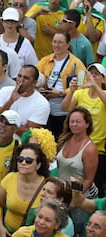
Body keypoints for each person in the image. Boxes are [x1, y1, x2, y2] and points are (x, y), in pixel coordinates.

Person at [61, 63, 106, 197]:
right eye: (90, 73)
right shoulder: (80, 93)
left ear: (103, 79)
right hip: (78, 146)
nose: (92, 76)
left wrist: (95, 86)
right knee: (75, 179)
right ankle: (73, 199)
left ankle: (94, 210)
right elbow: (65, 107)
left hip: (98, 148)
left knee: (94, 183)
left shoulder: (103, 94)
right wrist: (72, 90)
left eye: (96, 74)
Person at [56, 106, 98, 235]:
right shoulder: (64, 139)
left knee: (79, 229)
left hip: (83, 196)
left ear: (87, 124)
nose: (74, 124)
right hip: (64, 193)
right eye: (71, 121)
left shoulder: (90, 149)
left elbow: (89, 179)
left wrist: (76, 199)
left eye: (78, 121)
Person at [37, 31, 86, 139]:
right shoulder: (45, 60)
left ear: (68, 44)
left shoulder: (77, 63)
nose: (56, 45)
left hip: (65, 112)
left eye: (60, 42)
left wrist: (61, 93)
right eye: (54, 42)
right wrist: (41, 88)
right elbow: (34, 76)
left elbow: (82, 86)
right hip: (46, 110)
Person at [0, 143, 50, 236]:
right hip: (7, 233)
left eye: (29, 161)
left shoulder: (46, 186)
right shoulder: (9, 178)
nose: (23, 163)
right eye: (20, 159)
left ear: (38, 165)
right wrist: (0, 227)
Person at [0, 65, 50, 137]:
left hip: (21, 145)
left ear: (34, 83)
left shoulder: (42, 103)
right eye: (19, 76)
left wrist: (5, 121)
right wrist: (10, 101)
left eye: (26, 78)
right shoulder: (5, 91)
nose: (20, 80)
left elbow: (28, 134)